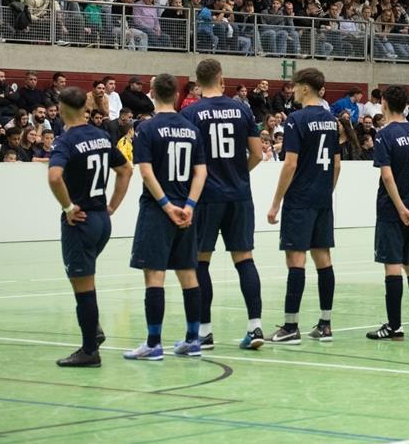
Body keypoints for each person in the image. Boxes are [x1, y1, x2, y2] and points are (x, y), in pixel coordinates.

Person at [183, 59, 266, 351]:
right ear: (221, 78)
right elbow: (257, 153)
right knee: (244, 259)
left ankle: (204, 332)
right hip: (239, 195)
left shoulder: (191, 112)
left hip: (206, 197)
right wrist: (239, 172)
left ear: (198, 81)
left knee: (200, 262)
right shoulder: (242, 109)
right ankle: (255, 327)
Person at [123, 73, 207, 361]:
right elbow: (201, 172)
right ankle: (193, 339)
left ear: (152, 93)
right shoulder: (191, 128)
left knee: (154, 276)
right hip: (186, 212)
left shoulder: (147, 128)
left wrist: (166, 205)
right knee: (188, 274)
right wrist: (190, 206)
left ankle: (154, 343)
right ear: (175, 95)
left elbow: (145, 172)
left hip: (157, 212)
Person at [47, 86, 132, 367]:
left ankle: (89, 350)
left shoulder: (65, 141)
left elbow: (55, 177)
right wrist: (112, 206)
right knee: (79, 276)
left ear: (61, 109)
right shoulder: (102, 136)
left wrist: (68, 207)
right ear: (86, 107)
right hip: (101, 220)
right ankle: (93, 329)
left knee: (84, 286)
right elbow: (125, 170)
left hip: (80, 222)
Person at [267, 68, 341, 343]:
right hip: (322, 199)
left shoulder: (296, 119)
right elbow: (336, 164)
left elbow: (290, 163)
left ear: (306, 88)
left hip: (299, 200)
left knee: (295, 260)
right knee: (323, 258)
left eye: (295, 87)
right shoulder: (331, 121)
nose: (292, 91)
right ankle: (325, 323)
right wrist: (326, 191)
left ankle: (290, 326)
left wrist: (276, 203)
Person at [368, 85, 409, 340]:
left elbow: (387, 175)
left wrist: (401, 209)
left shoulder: (384, 135)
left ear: (383, 103)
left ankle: (394, 326)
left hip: (392, 210)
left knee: (393, 265)